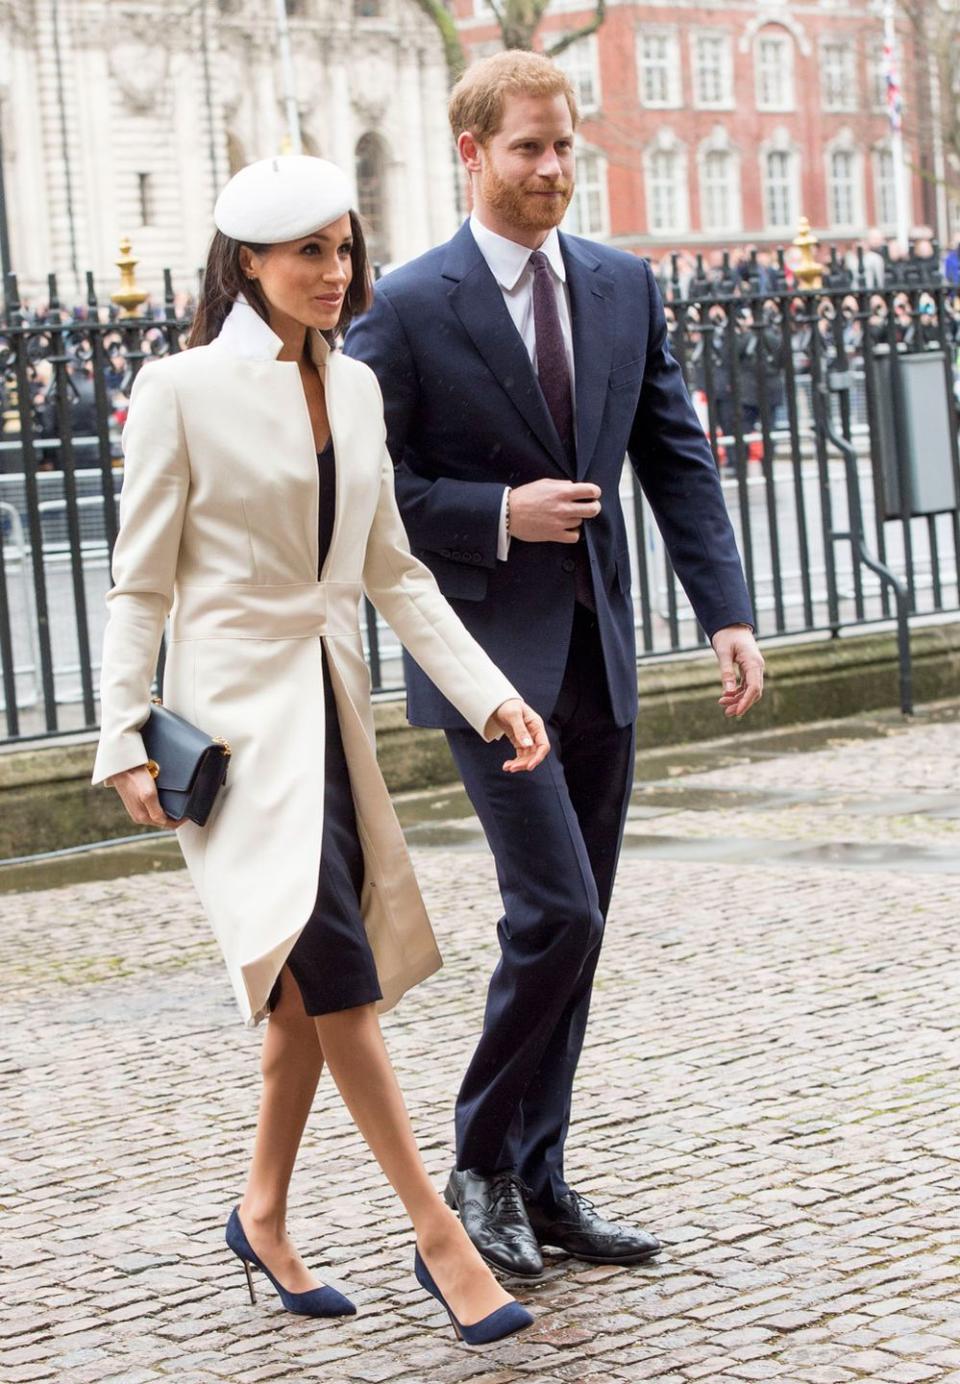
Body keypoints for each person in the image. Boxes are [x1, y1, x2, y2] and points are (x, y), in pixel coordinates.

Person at [93, 155, 551, 1345]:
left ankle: (262, 1212)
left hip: (330, 720)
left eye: (345, 251)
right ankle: (439, 1238)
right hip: (235, 741)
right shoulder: (180, 387)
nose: (336, 273)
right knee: (335, 976)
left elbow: (392, 570)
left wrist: (491, 694)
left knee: (304, 993)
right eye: (310, 253)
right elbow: (138, 584)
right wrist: (122, 735)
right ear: (249, 262)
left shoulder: (352, 390)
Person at [345, 51, 764, 1280]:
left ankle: (543, 1178)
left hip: (602, 659)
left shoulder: (625, 286)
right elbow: (367, 494)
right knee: (558, 911)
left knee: (578, 931)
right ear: (472, 153)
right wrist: (495, 513)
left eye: (567, 146)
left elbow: (677, 457)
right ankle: (477, 1166)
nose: (554, 170)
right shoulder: (412, 305)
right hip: (485, 666)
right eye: (529, 148)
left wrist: (725, 611)